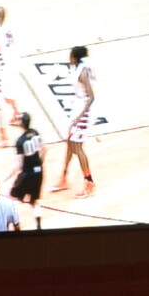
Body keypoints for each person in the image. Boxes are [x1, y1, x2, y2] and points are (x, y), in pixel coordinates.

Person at [52, 47, 96, 197]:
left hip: (83, 113)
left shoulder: (83, 72)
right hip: (76, 109)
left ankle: (89, 181)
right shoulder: (77, 68)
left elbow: (91, 97)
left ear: (74, 58)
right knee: (70, 144)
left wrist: (79, 116)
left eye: (70, 56)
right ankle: (64, 178)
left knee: (77, 148)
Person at [10, 113, 47, 230]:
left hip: (27, 173)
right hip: (39, 172)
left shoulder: (20, 141)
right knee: (35, 201)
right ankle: (39, 226)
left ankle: (17, 226)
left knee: (14, 198)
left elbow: (19, 165)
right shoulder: (36, 133)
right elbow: (44, 149)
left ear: (21, 124)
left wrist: (11, 174)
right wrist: (39, 162)